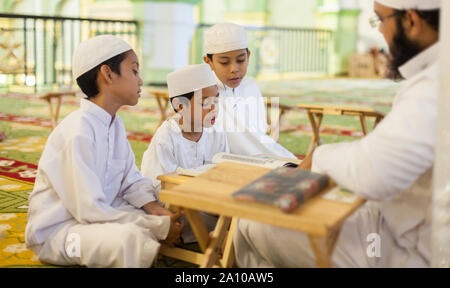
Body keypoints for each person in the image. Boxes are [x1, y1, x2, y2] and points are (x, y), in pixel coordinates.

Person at [234, 0, 441, 267]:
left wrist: (319, 157)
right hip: (404, 218)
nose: (380, 31)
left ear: (411, 20)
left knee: (255, 221)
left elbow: (373, 172)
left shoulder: (435, 86)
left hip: (412, 249)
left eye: (381, 19)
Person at [25, 35, 184, 268]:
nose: (141, 81)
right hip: (63, 234)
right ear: (108, 74)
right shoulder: (77, 132)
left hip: (103, 216)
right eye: (134, 71)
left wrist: (155, 210)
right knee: (128, 240)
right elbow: (89, 211)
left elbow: (131, 179)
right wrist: (157, 225)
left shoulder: (114, 124)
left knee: (169, 201)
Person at [141, 64, 228, 242]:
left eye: (216, 101)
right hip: (178, 206)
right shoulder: (166, 136)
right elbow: (160, 188)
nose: (214, 109)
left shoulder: (217, 132)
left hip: (211, 200)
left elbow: (224, 172)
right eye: (205, 103)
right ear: (180, 106)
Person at [203, 22, 295, 159]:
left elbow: (260, 134)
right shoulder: (205, 95)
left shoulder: (251, 86)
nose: (234, 69)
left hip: (262, 158)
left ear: (248, 56)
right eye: (224, 63)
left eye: (241, 60)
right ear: (208, 62)